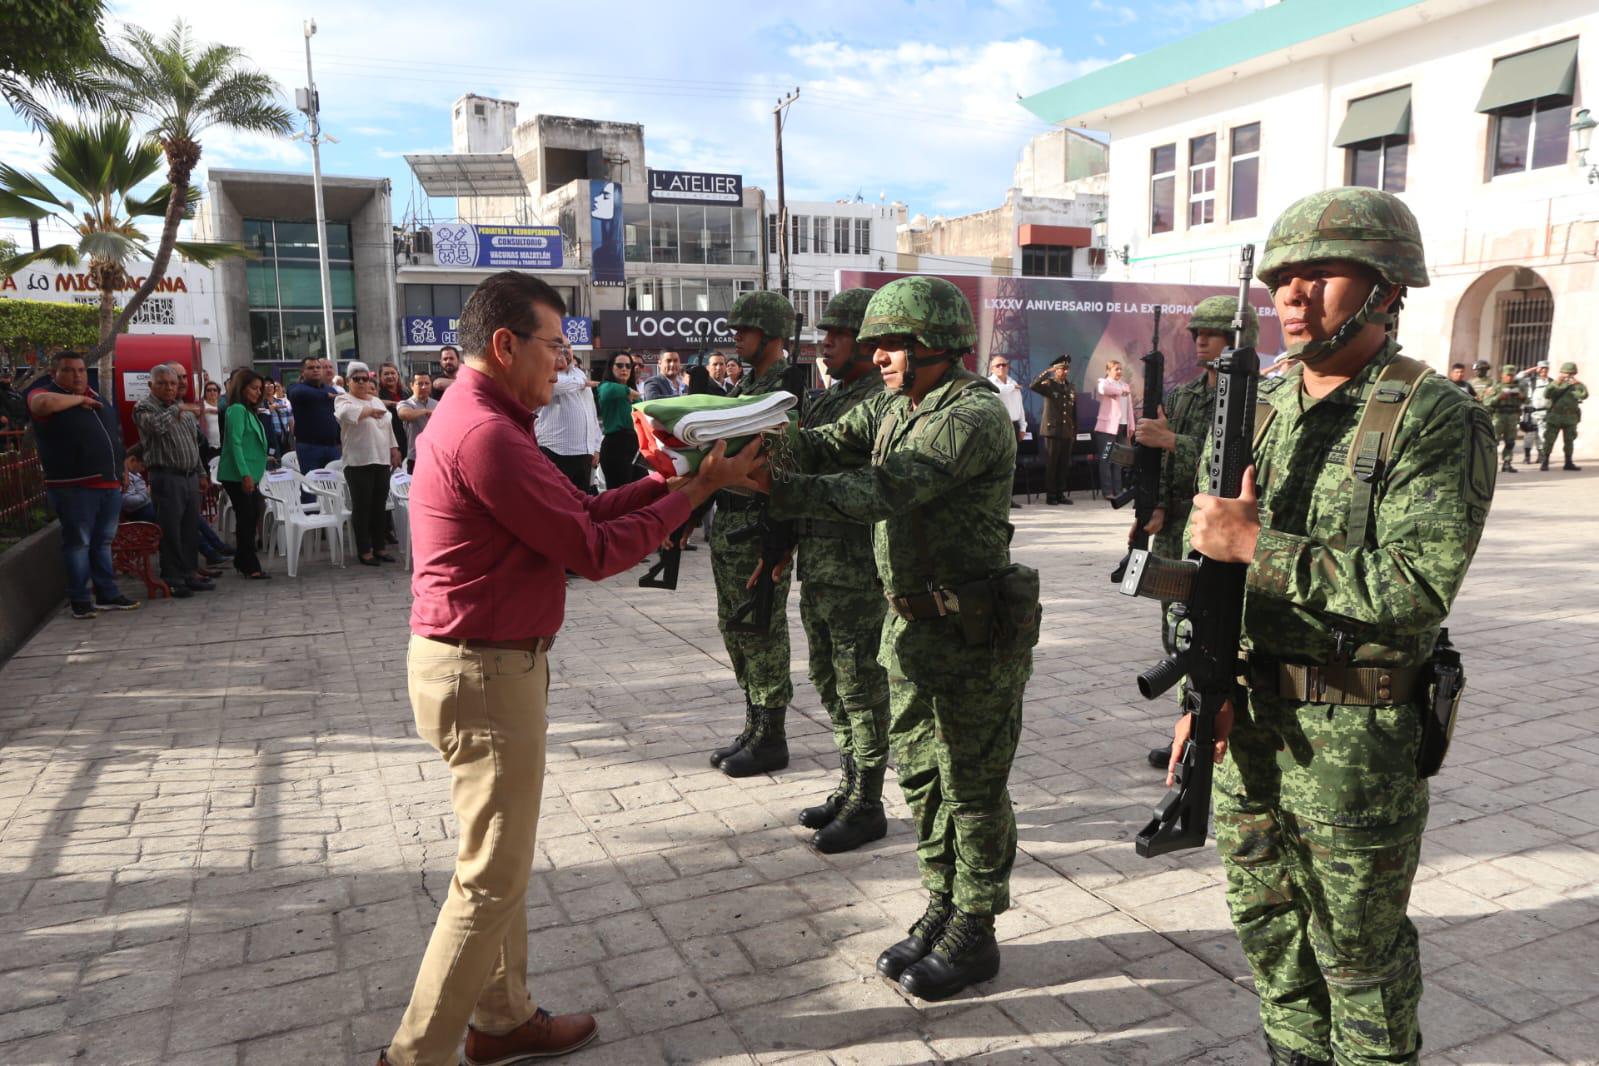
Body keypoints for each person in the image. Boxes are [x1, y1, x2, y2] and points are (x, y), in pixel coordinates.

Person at [379, 271, 763, 1066]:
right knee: (489, 879)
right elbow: (591, 551)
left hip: (481, 666)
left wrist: (669, 483)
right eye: (554, 346)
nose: (563, 363)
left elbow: (578, 512)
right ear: (505, 344)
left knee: (498, 864)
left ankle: (501, 1019)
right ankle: (413, 1057)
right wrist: (695, 493)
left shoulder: (488, 419)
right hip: (483, 673)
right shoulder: (486, 433)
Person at [1179, 186, 1494, 1065]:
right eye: (1282, 278)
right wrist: (1203, 686)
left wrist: (1256, 546)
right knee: (1268, 931)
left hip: (1353, 742)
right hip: (1247, 724)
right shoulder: (1261, 406)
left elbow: (1416, 587)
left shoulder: (1433, 415)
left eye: (1321, 274)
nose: (1292, 293)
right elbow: (1205, 572)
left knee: (1358, 959)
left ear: (1387, 288)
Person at [753, 275, 1034, 1001]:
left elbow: (883, 488)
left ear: (936, 343)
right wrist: (742, 443)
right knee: (923, 779)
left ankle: (976, 925)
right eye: (873, 345)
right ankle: (941, 903)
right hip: (908, 630)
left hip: (970, 634)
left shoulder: (970, 413)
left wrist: (775, 486)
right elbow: (823, 444)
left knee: (971, 787)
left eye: (892, 344)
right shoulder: (892, 405)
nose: (876, 356)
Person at [784, 288, 891, 853]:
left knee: (860, 686)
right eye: (824, 333)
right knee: (828, 680)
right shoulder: (832, 398)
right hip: (819, 565)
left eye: (838, 334)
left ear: (868, 343)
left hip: (857, 570)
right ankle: (849, 786)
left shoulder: (880, 401)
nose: (825, 343)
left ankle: (868, 802)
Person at [707, 291, 801, 779]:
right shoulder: (744, 385)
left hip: (760, 527)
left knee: (761, 628)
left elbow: (786, 473)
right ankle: (753, 724)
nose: (736, 337)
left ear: (770, 334)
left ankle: (771, 736)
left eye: (745, 330)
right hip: (729, 526)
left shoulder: (788, 391)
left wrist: (779, 543)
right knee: (735, 627)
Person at [1135, 296, 1259, 561]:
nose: (1200, 341)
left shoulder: (1257, 400)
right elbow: (1162, 462)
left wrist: (1171, 440)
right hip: (1173, 525)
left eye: (1211, 334)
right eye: (1197, 334)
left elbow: (1241, 462)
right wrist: (1157, 505)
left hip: (1221, 525)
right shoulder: (1182, 395)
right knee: (1166, 588)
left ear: (1237, 339)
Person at [26, 350, 138, 618]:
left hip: (107, 483)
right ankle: (80, 599)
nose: (77, 375)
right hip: (74, 486)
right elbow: (41, 405)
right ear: (54, 373)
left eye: (80, 370)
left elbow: (114, 437)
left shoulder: (97, 397)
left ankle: (107, 593)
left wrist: (121, 468)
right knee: (78, 543)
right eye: (68, 370)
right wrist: (79, 400)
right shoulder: (46, 393)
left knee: (103, 542)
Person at [134, 363, 212, 599]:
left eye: (173, 383)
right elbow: (156, 426)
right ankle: (173, 577)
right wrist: (178, 409)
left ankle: (189, 572)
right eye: (163, 383)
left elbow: (193, 444)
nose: (169, 388)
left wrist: (201, 473)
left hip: (189, 476)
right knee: (170, 530)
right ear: (151, 385)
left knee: (190, 528)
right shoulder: (144, 407)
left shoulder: (181, 408)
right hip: (166, 476)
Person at [335, 362, 403, 566]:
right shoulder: (343, 399)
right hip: (358, 462)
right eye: (356, 379)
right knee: (362, 507)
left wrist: (394, 449)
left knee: (379, 507)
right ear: (348, 381)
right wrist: (368, 411)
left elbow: (388, 428)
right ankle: (364, 551)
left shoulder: (376, 400)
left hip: (381, 460)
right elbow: (345, 414)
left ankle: (379, 548)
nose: (361, 382)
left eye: (365, 379)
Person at [218, 369, 271, 579]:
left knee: (253, 513)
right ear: (242, 388)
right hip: (237, 475)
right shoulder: (237, 409)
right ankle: (250, 565)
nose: (258, 392)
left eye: (260, 389)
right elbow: (235, 443)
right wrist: (245, 475)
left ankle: (242, 559)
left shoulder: (249, 410)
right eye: (253, 388)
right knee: (247, 518)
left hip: (250, 473)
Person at [535, 341, 602, 494]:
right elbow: (555, 386)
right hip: (554, 451)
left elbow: (591, 413)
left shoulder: (579, 374)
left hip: (583, 454)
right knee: (555, 499)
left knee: (580, 500)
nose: (565, 350)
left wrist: (596, 447)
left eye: (568, 347)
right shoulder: (545, 371)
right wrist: (583, 383)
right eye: (560, 347)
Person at [1029, 356, 1076, 506]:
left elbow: (1073, 411)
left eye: (1066, 369)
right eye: (1061, 369)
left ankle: (1060, 493)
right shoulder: (1049, 384)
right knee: (1052, 464)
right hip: (1052, 430)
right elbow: (1033, 385)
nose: (1065, 371)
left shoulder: (1070, 387)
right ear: (1055, 370)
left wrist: (1074, 430)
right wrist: (1046, 372)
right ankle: (1051, 495)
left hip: (1066, 430)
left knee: (1064, 464)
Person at [288, 356, 341, 472]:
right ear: (302, 372)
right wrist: (325, 396)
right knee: (311, 481)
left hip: (333, 447)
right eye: (311, 368)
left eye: (318, 367)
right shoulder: (297, 389)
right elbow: (298, 393)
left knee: (335, 481)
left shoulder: (331, 390)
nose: (315, 370)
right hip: (309, 448)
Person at [595, 354, 640, 489]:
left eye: (628, 366)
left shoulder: (634, 392)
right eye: (619, 365)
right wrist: (630, 392)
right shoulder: (606, 386)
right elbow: (607, 391)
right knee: (620, 494)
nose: (624, 369)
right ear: (611, 367)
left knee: (641, 492)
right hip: (616, 446)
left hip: (635, 445)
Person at [1092, 358, 1133, 498]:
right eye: (1116, 369)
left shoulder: (1125, 385)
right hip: (1107, 429)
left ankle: (1119, 490)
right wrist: (1120, 391)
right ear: (1108, 371)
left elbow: (1129, 408)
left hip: (1122, 427)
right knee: (1106, 459)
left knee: (1119, 461)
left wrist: (1131, 425)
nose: (1119, 371)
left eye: (1120, 369)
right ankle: (1108, 491)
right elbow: (1103, 390)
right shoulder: (1104, 382)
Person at [1540, 361, 1586, 471]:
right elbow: (1546, 394)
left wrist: (1578, 384)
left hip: (1570, 417)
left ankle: (1568, 462)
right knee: (1549, 439)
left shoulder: (1577, 385)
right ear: (1561, 373)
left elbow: (1584, 395)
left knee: (1569, 440)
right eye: (1566, 373)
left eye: (1571, 374)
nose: (1568, 376)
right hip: (1555, 416)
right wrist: (1557, 382)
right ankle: (1545, 461)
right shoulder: (1555, 384)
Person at [1484, 365, 1524, 473]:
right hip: (1499, 416)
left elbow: (1527, 401)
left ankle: (1507, 462)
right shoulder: (1496, 387)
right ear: (1502, 375)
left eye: (1511, 375)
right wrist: (1499, 397)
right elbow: (1487, 402)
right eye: (1507, 375)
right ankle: (1488, 463)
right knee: (1494, 440)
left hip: (1513, 416)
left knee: (1510, 441)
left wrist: (1522, 396)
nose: (1509, 378)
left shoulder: (1518, 387)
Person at [397, 372, 438, 474]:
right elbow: (404, 414)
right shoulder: (405, 403)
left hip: (435, 456)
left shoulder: (437, 404)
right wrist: (425, 411)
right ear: (411, 385)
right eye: (420, 384)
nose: (424, 387)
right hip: (415, 457)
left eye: (427, 383)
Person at [1517, 360, 1551, 465]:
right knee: (1529, 435)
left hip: (1544, 412)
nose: (1544, 370)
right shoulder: (1530, 381)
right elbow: (1517, 378)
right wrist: (1532, 369)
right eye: (1542, 368)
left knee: (1542, 435)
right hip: (1530, 413)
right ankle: (1527, 457)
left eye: (1546, 368)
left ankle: (1541, 456)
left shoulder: (1551, 382)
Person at [377, 361, 411, 455]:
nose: (390, 376)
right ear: (380, 377)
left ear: (398, 375)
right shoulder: (378, 395)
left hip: (408, 438)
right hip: (391, 441)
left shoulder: (407, 392)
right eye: (386, 374)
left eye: (393, 373)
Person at [122, 445, 157, 523]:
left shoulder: (135, 473)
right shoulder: (126, 477)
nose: (143, 469)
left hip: (147, 505)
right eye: (142, 465)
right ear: (133, 459)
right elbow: (127, 501)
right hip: (139, 511)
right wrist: (147, 493)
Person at [199, 380, 223, 463]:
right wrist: (207, 410)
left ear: (218, 393)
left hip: (223, 445)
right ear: (205, 393)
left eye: (214, 390)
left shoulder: (222, 405)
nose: (212, 392)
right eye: (209, 390)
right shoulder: (202, 405)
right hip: (208, 447)